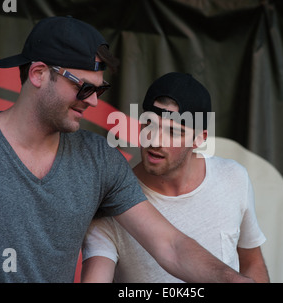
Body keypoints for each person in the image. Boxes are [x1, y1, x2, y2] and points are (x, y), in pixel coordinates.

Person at [0, 16, 253, 283]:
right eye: (84, 87)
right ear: (38, 74)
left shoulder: (99, 159)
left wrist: (231, 280)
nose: (93, 100)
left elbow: (169, 245)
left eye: (100, 89)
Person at [81, 72, 270, 283]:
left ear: (200, 138)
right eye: (149, 124)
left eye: (172, 131)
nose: (155, 140)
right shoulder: (115, 200)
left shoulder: (233, 177)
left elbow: (252, 261)